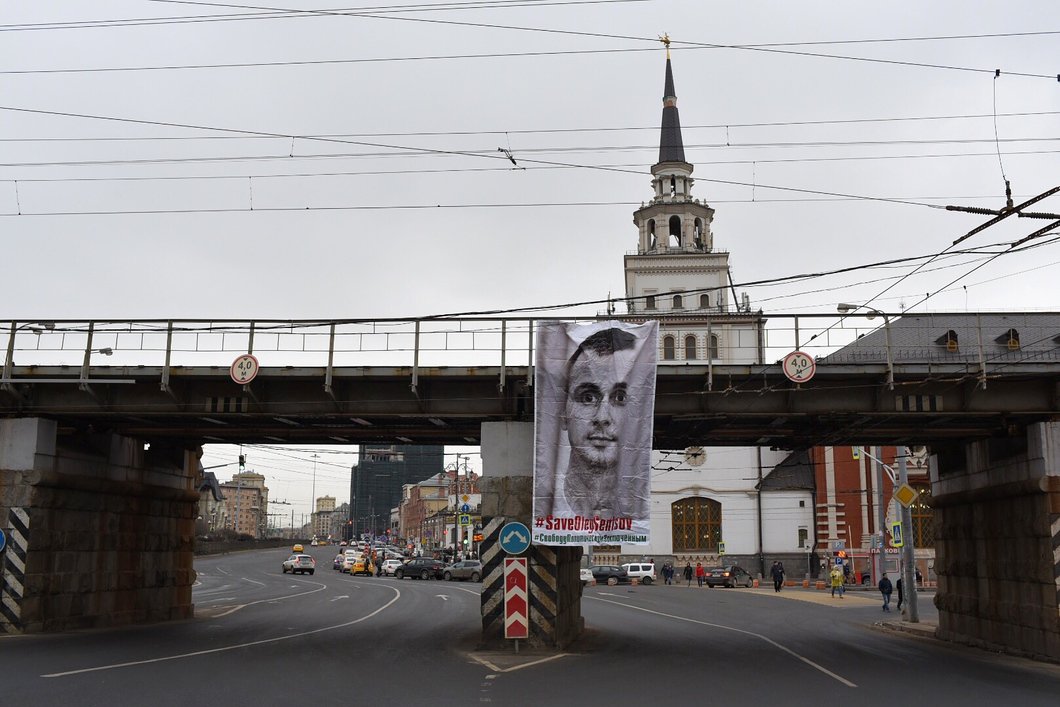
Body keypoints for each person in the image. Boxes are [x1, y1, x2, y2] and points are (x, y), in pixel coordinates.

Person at [532, 322, 657, 541]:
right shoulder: (548, 504)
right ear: (563, 413)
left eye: (620, 398)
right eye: (588, 397)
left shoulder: (639, 508)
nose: (602, 418)